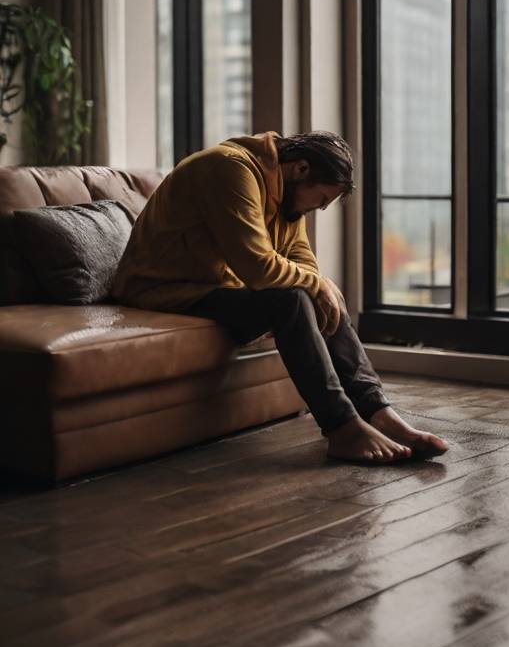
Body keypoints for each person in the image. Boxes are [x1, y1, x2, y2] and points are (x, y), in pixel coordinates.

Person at [111, 129, 448, 464]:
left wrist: (321, 287)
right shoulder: (228, 168)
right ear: (300, 169)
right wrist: (319, 285)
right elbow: (258, 267)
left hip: (210, 288)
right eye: (320, 201)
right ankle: (342, 428)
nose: (317, 209)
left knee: (316, 294)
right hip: (159, 290)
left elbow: (300, 257)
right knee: (292, 299)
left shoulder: (286, 196)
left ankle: (378, 411)